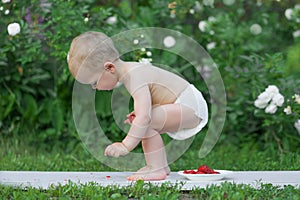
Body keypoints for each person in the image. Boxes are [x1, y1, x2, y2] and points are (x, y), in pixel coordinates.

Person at [67, 31, 208, 181]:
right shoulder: (132, 71)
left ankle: (156, 167)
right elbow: (154, 99)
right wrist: (140, 113)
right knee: (143, 120)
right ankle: (160, 165)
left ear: (110, 68)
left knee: (146, 122)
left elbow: (145, 117)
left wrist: (125, 145)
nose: (95, 88)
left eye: (94, 83)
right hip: (186, 103)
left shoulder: (134, 77)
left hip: (190, 106)